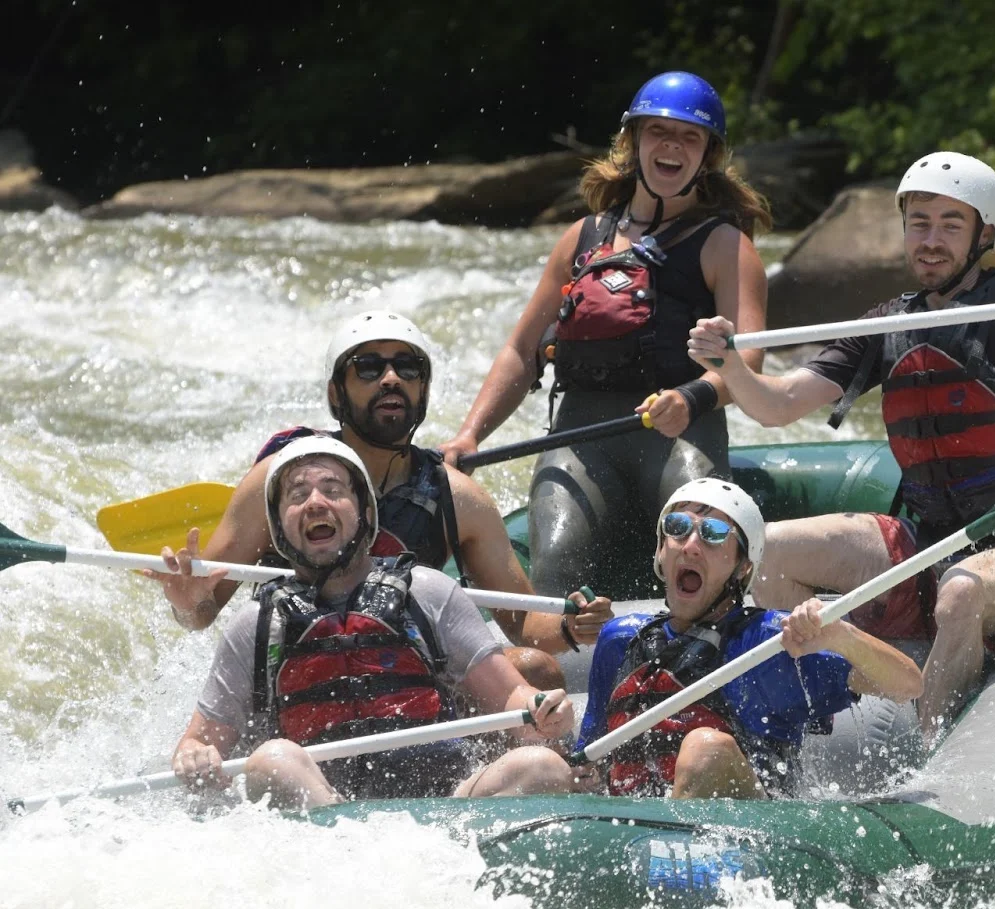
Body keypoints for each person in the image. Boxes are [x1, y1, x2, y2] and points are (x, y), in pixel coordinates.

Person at [685, 151, 995, 739]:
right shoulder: (888, 322)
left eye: (950, 224)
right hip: (926, 539)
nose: (932, 241)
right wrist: (731, 367)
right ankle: (855, 692)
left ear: (983, 235)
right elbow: (778, 405)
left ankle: (929, 747)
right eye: (919, 224)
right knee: (767, 550)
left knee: (962, 589)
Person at [439, 71, 771, 602]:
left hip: (683, 435)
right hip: (580, 439)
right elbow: (522, 351)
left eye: (689, 136)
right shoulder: (583, 237)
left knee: (702, 559)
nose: (672, 146)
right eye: (658, 131)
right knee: (557, 560)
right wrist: (469, 435)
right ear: (633, 141)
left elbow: (749, 361)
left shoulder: (725, 246)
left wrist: (691, 397)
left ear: (707, 155)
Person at [144, 310, 607, 689]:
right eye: (369, 367)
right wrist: (188, 601)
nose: (390, 379)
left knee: (535, 671)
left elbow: (525, 624)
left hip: (410, 674)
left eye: (408, 368)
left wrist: (571, 625)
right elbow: (202, 612)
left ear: (423, 389)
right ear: (336, 392)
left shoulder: (458, 498)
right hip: (302, 671)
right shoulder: (279, 481)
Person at [164, 437, 576, 810]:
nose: (315, 503)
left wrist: (541, 709)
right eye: (297, 495)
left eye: (332, 491)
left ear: (363, 512)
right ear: (278, 527)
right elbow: (199, 741)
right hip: (326, 811)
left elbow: (511, 696)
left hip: (445, 804)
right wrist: (194, 756)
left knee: (541, 766)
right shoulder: (257, 623)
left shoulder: (427, 592)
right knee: (272, 760)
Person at [536, 479, 921, 799]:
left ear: (743, 567)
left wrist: (841, 636)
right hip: (631, 833)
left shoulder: (768, 644)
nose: (691, 545)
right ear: (660, 550)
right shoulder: (620, 639)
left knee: (706, 750)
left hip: (752, 833)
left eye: (714, 534)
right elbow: (589, 763)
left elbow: (908, 685)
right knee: (533, 767)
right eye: (677, 528)